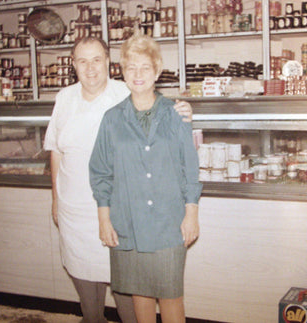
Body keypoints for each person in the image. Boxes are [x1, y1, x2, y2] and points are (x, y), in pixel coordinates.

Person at [43, 36, 193, 323]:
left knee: (130, 285)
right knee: (83, 277)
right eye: (82, 61)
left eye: (96, 60)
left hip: (120, 208)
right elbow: (56, 152)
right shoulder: (64, 98)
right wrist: (55, 200)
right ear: (73, 64)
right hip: (73, 208)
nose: (90, 68)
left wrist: (183, 110)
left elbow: (157, 109)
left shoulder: (124, 91)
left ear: (109, 63)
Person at [88, 34, 202, 323]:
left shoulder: (176, 114)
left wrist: (191, 215)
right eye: (131, 67)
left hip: (169, 221)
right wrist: (104, 220)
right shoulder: (112, 119)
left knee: (171, 295)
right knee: (140, 294)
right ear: (123, 72)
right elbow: (101, 172)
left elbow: (190, 169)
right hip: (128, 221)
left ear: (157, 71)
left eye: (145, 68)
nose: (138, 74)